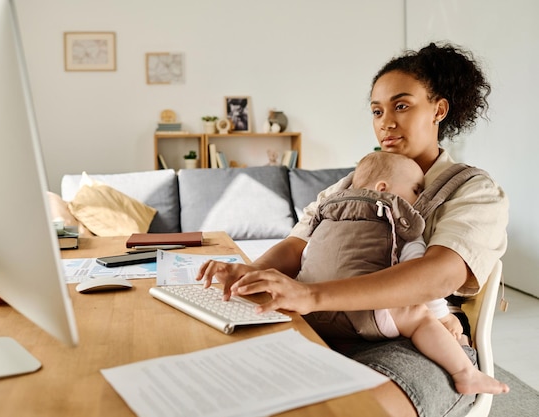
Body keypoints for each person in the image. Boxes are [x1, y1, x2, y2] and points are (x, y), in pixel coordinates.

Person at [196, 42, 510, 417]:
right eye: (377, 110)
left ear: (439, 110)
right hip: (323, 322)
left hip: (414, 339)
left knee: (351, 409)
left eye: (402, 106)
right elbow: (298, 244)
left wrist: (311, 296)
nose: (385, 122)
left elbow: (437, 277)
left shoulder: (473, 189)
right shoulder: (349, 185)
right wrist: (251, 274)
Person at [295, 150, 508, 396]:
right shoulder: (398, 221)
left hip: (313, 315)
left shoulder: (327, 214)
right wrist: (442, 317)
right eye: (417, 190)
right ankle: (465, 374)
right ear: (384, 188)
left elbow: (307, 256)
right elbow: (423, 283)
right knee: (418, 318)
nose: (418, 199)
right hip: (368, 315)